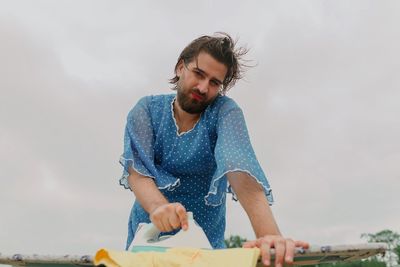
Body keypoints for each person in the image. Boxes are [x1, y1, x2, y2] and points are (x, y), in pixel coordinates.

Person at [119, 32, 309, 266]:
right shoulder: (146, 110)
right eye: (198, 74)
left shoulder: (224, 113)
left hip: (205, 247)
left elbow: (239, 170)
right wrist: (160, 208)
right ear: (180, 67)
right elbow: (138, 172)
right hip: (147, 242)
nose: (203, 87)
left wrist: (270, 237)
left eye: (214, 82)